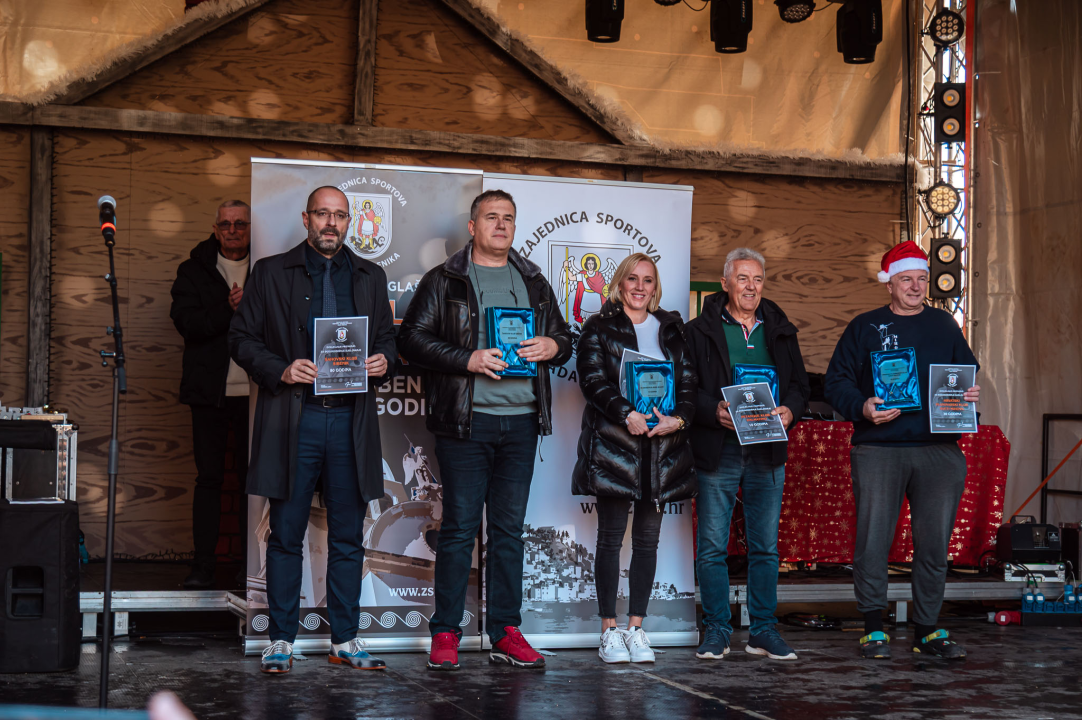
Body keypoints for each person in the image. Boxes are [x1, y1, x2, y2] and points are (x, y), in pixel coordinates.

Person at [397, 189, 573, 671]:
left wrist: (552, 347)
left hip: (521, 425)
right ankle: (447, 631)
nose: (501, 225)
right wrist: (468, 359)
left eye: (509, 219)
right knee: (457, 530)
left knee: (508, 532)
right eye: (491, 217)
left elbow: (564, 337)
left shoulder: (533, 280)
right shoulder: (445, 279)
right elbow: (411, 339)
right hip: (465, 424)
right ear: (472, 227)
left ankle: (505, 631)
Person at [229, 186, 397, 674]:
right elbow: (241, 339)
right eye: (322, 214)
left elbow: (387, 338)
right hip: (293, 419)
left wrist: (384, 359)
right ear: (306, 218)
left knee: (348, 535)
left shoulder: (370, 274)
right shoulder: (270, 272)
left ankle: (345, 639)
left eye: (339, 216)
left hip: (350, 421)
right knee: (285, 534)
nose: (331, 223)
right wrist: (281, 369)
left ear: (350, 222)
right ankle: (280, 638)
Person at [824, 240, 979, 660]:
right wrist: (863, 406)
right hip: (879, 449)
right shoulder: (864, 327)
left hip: (939, 450)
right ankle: (873, 627)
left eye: (922, 279)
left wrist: (969, 392)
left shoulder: (945, 325)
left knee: (934, 545)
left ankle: (927, 629)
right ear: (889, 284)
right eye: (906, 279)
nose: (915, 286)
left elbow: (965, 373)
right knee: (873, 541)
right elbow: (835, 382)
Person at [684, 248, 810, 662]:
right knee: (712, 547)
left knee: (765, 548)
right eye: (742, 279)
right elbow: (685, 390)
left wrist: (790, 409)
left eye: (757, 279)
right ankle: (717, 629)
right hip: (719, 448)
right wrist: (711, 411)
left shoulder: (780, 328)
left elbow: (800, 386)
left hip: (767, 449)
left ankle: (762, 631)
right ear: (725, 284)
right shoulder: (698, 331)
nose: (751, 286)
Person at [571, 253, 698, 664]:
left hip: (660, 449)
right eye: (632, 279)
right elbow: (591, 380)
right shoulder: (600, 327)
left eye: (648, 280)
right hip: (616, 446)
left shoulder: (673, 331)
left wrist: (677, 420)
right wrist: (626, 412)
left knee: (647, 541)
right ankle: (608, 631)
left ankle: (636, 629)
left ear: (655, 286)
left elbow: (691, 387)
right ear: (620, 284)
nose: (640, 287)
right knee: (609, 539)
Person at [169, 199, 252, 590]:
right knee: (210, 480)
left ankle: (249, 566)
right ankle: (202, 566)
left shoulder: (268, 265)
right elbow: (188, 324)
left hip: (259, 394)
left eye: (240, 224)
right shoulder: (194, 270)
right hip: (208, 395)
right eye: (225, 224)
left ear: (251, 228)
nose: (232, 230)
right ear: (215, 229)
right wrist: (228, 307)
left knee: (255, 481)